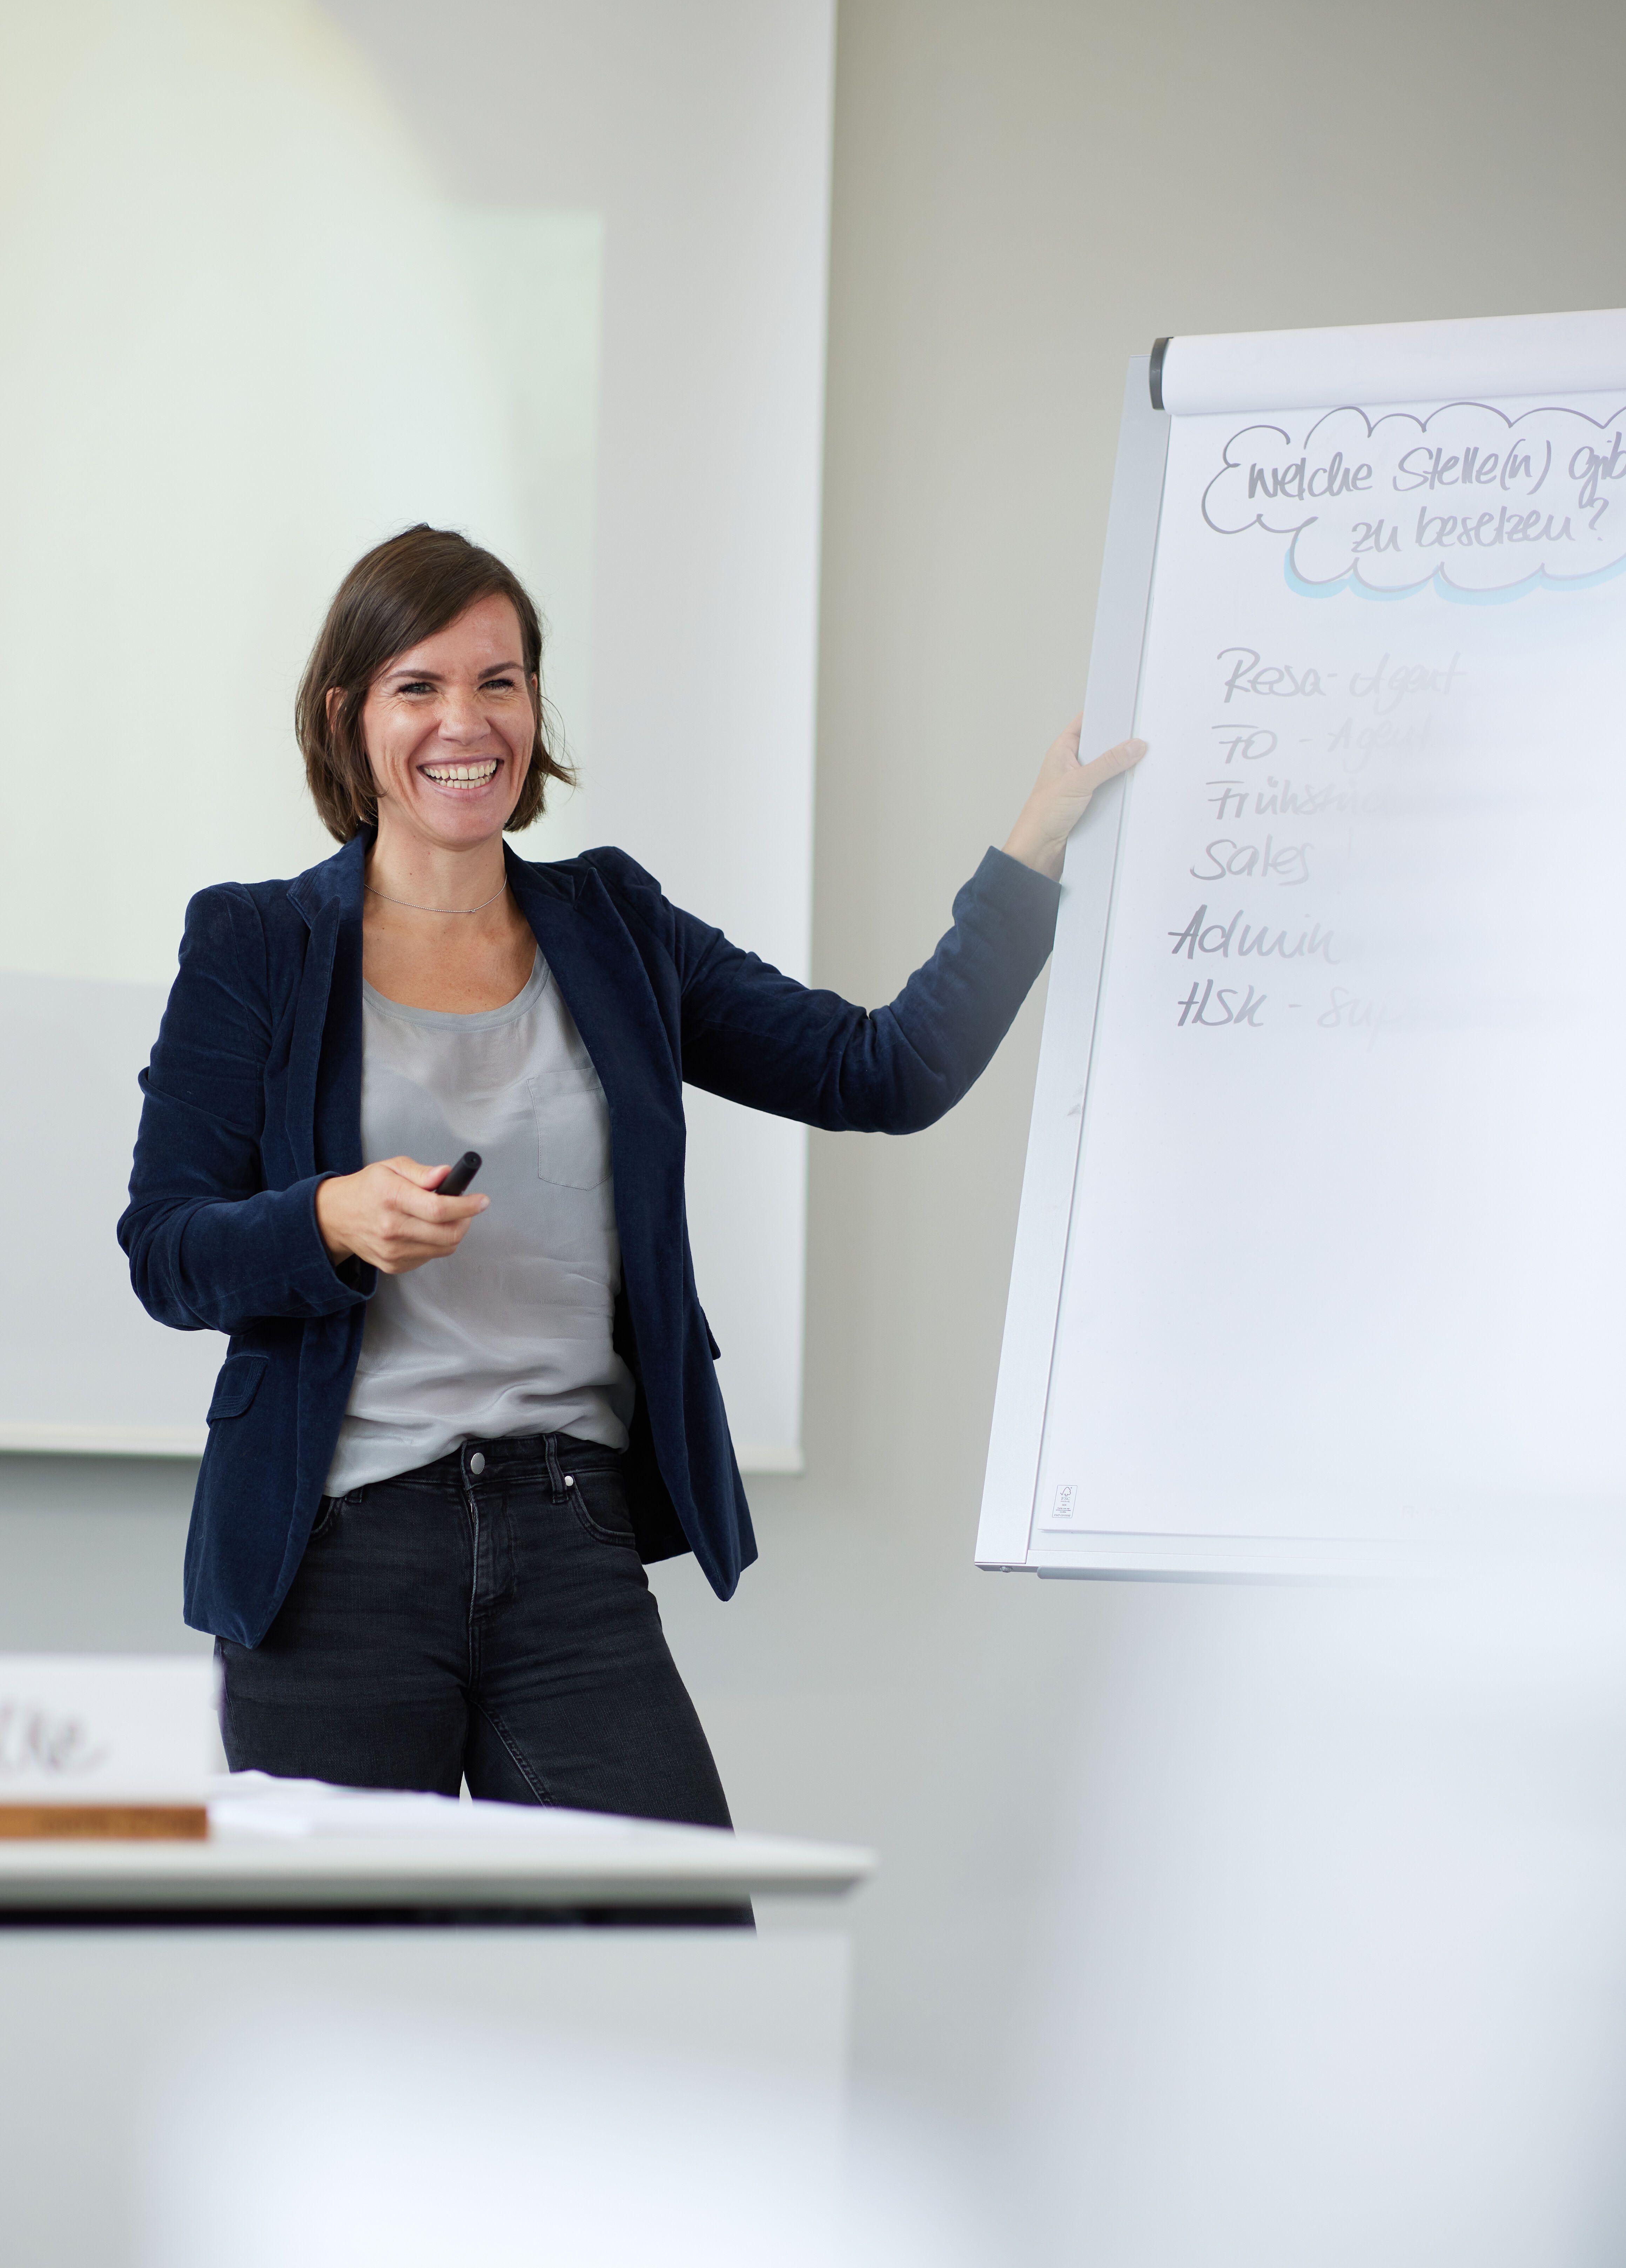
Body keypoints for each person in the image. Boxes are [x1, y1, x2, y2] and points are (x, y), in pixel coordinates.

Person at [120, 525, 1145, 1824]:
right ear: (348, 715)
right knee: (348, 1990)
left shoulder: (613, 924)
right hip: (336, 1557)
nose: (466, 722)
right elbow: (166, 1247)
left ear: (536, 706)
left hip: (570, 1539)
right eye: (418, 687)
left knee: (683, 1962)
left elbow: (880, 1071)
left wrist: (1037, 844)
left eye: (499, 681)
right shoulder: (255, 943)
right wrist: (325, 1218)